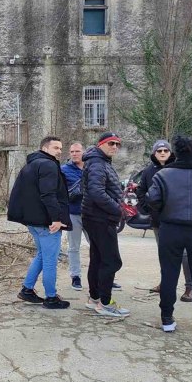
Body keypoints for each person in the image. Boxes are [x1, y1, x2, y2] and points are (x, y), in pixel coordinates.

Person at [147, 135, 192, 335]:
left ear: (175, 153)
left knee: (169, 274)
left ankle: (167, 320)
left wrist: (163, 212)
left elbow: (152, 200)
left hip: (170, 229)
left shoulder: (163, 175)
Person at [8, 136, 72, 309]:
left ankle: (27, 290)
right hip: (46, 222)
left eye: (60, 148)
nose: (59, 151)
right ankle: (51, 298)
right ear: (45, 148)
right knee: (50, 260)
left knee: (42, 255)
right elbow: (48, 194)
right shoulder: (48, 165)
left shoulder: (30, 165)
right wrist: (56, 219)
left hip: (33, 221)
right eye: (55, 148)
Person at [136, 139, 192, 301]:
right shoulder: (148, 171)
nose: (162, 153)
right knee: (164, 254)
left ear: (171, 153)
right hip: (158, 222)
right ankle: (166, 284)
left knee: (183, 254)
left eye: (165, 151)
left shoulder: (178, 169)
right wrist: (147, 208)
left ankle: (190, 287)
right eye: (159, 151)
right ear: (154, 153)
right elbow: (141, 191)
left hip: (177, 221)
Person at [81, 132, 129, 317]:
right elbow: (96, 192)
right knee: (112, 261)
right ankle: (106, 303)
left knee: (98, 259)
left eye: (117, 144)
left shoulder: (100, 162)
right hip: (99, 218)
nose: (115, 147)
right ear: (101, 144)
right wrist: (118, 209)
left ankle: (95, 299)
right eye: (111, 143)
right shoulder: (98, 163)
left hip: (95, 217)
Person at [62, 142, 88, 291]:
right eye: (72, 151)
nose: (74, 154)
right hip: (73, 213)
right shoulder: (64, 170)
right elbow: (60, 191)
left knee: (97, 246)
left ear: (83, 152)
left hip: (91, 213)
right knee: (73, 247)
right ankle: (75, 277)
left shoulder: (91, 168)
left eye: (77, 151)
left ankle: (103, 277)